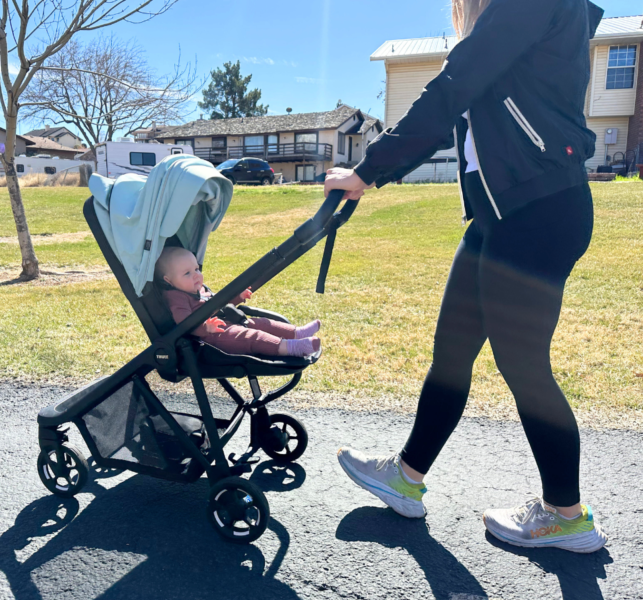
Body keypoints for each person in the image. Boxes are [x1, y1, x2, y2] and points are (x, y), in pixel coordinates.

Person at [327, 0, 607, 553]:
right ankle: (406, 476)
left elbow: (454, 86)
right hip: (497, 212)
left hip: (537, 208)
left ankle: (566, 514)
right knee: (452, 350)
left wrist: (369, 169)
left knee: (522, 363)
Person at [155, 247, 322, 357]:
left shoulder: (195, 289)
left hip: (224, 324)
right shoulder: (176, 297)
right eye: (187, 273)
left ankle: (297, 333)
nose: (196, 275)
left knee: (259, 323)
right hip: (211, 338)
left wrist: (237, 298)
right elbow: (184, 323)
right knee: (252, 337)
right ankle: (293, 348)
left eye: (197, 269)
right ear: (168, 281)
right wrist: (205, 328)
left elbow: (217, 303)